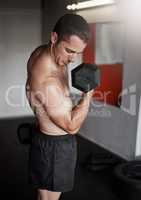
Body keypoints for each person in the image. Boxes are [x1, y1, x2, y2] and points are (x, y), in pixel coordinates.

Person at [26, 13, 94, 200]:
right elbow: (72, 126)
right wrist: (89, 93)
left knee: (43, 196)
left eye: (77, 53)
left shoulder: (42, 52)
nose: (72, 59)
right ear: (54, 37)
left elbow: (29, 90)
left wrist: (40, 111)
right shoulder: (49, 80)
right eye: (69, 51)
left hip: (43, 138)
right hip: (56, 147)